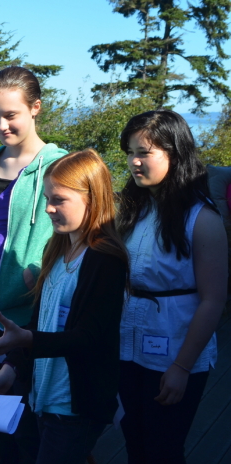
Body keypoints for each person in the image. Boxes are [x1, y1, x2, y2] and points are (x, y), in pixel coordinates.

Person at [0, 149, 129, 464]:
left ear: (92, 199)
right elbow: (38, 321)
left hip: (74, 405)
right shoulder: (57, 251)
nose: (48, 209)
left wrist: (27, 341)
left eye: (59, 200)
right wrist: (10, 367)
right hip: (41, 397)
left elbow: (89, 338)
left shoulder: (104, 259)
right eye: (46, 198)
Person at [0, 65, 67, 462]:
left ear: (35, 108)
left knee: (33, 421)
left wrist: (39, 280)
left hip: (36, 310)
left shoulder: (59, 166)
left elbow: (71, 234)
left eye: (11, 115)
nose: (1, 125)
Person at [117, 110, 227, 464]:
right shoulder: (134, 209)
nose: (134, 161)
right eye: (130, 151)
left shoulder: (202, 219)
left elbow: (213, 300)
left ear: (175, 154)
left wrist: (181, 367)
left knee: (163, 448)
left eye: (144, 152)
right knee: (134, 438)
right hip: (129, 346)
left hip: (175, 352)